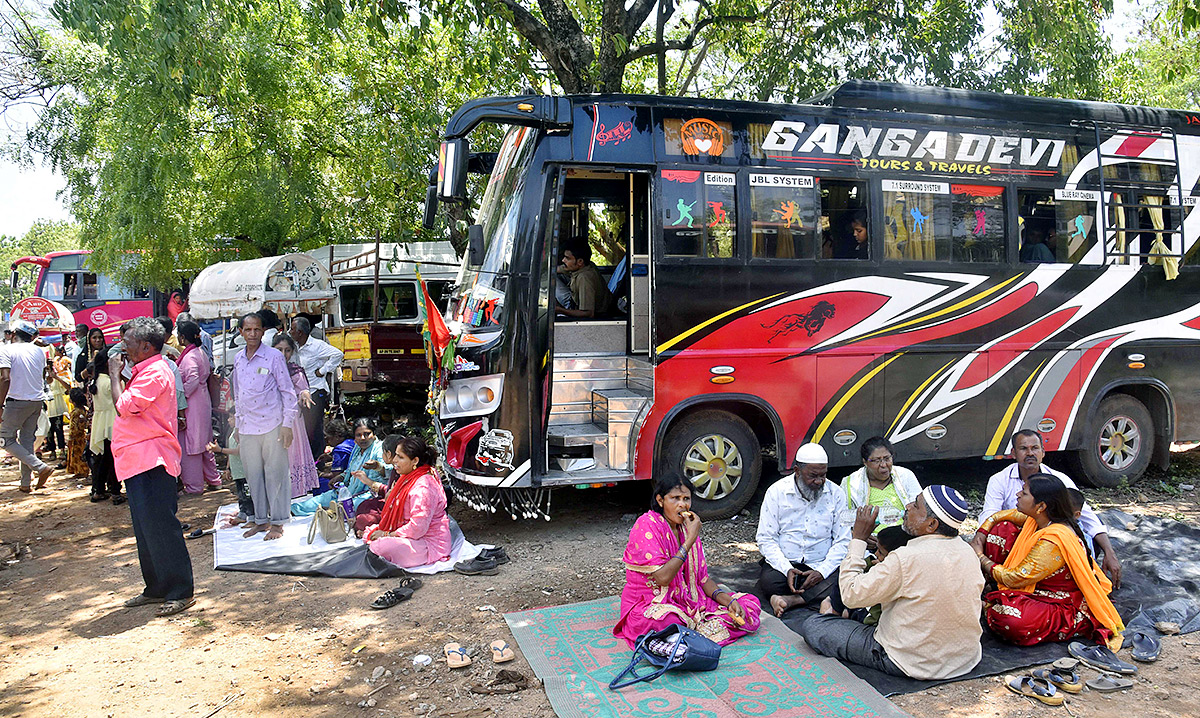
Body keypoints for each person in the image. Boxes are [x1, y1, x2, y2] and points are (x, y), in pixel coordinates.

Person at [797, 486, 984, 680]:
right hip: (964, 659)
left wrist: (858, 539)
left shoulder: (906, 558)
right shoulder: (968, 552)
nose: (908, 507)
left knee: (815, 626)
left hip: (909, 661)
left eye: (916, 505)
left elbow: (850, 595)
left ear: (931, 524)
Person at [975, 474, 1125, 649]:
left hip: (1058, 600)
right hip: (1034, 584)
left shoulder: (1052, 542)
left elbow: (1013, 578)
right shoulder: (1039, 519)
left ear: (1041, 507)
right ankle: (994, 590)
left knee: (1011, 619)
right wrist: (982, 533)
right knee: (1001, 531)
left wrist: (979, 555)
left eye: (1024, 493)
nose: (1017, 495)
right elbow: (1000, 516)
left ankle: (992, 602)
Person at [614, 473, 762, 648]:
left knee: (749, 605)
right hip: (650, 603)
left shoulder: (686, 527)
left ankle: (687, 636)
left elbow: (702, 580)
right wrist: (689, 540)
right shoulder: (647, 525)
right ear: (660, 500)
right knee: (664, 622)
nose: (682, 504)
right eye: (675, 498)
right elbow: (662, 578)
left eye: (686, 498)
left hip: (688, 602)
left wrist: (728, 601)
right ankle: (693, 633)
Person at [110, 316, 194, 616]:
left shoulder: (155, 372)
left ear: (146, 346)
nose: (123, 346)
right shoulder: (145, 370)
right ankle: (157, 587)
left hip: (152, 459)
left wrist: (114, 376)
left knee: (161, 527)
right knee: (146, 530)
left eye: (128, 342)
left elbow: (125, 406)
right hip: (137, 460)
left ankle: (180, 590)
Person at [977, 429, 1121, 587]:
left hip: (1051, 542)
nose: (1030, 453)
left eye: (1035, 448)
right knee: (1002, 529)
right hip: (1018, 540)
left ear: (1043, 452)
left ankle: (1080, 581)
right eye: (1024, 449)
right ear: (1013, 453)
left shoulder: (1059, 480)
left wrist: (1109, 552)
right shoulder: (999, 480)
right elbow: (990, 515)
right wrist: (981, 537)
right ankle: (999, 579)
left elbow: (1087, 518)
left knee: (1081, 537)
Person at [757, 443, 852, 616]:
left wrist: (821, 572)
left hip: (821, 563)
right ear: (797, 471)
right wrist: (786, 569)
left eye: (823, 476)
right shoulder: (776, 492)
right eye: (813, 476)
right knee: (769, 581)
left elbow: (843, 540)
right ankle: (814, 597)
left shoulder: (836, 494)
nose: (819, 481)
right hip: (787, 564)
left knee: (844, 580)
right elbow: (766, 538)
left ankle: (791, 600)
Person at [230, 312, 298, 541]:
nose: (252, 334)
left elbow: (288, 392)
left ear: (263, 331)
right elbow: (238, 394)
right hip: (248, 426)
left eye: (256, 329)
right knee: (253, 475)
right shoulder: (239, 358)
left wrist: (287, 425)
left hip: (272, 424)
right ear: (241, 332)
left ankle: (278, 523)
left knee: (275, 474)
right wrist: (238, 426)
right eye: (248, 330)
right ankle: (260, 520)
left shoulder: (273, 357)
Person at [362, 435, 452, 568]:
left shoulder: (423, 487)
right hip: (414, 535)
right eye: (395, 455)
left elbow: (418, 528)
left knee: (380, 546)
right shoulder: (413, 475)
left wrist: (388, 534)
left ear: (415, 460)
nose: (394, 460)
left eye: (400, 457)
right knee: (370, 531)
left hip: (429, 544)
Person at [0, 320, 55, 492]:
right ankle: (25, 483)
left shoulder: (7, 349)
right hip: (36, 401)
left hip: (16, 401)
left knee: (5, 439)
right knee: (26, 441)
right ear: (32, 337)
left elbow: (5, 378)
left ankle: (39, 467)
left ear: (14, 334)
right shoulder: (39, 351)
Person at [292, 417, 384, 516]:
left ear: (374, 433)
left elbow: (388, 472)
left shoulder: (379, 449)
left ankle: (333, 511)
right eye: (358, 435)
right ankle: (289, 511)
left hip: (368, 495)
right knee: (315, 501)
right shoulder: (357, 448)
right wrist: (341, 477)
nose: (362, 438)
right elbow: (350, 470)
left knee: (351, 506)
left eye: (367, 434)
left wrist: (377, 466)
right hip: (349, 490)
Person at [821, 525, 910, 624]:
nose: (876, 554)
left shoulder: (887, 574)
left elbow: (854, 597)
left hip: (871, 625)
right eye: (876, 549)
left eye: (880, 552)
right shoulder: (873, 562)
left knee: (816, 622)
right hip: (857, 609)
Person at [839, 436, 922, 542]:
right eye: (876, 461)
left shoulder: (905, 476)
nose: (883, 465)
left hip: (905, 538)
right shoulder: (851, 484)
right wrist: (858, 536)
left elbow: (920, 508)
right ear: (865, 462)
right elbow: (842, 520)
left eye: (887, 458)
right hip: (872, 542)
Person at [270, 333, 320, 498]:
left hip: (291, 421)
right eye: (279, 350)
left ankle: (295, 491)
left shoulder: (295, 371)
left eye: (287, 350)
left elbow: (303, 390)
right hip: (270, 420)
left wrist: (304, 395)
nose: (283, 354)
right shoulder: (266, 369)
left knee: (291, 453)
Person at [289, 316, 342, 460]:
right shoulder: (293, 347)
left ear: (300, 332)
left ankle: (317, 460)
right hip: (298, 393)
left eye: (292, 329)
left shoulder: (316, 345)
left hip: (314, 390)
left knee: (314, 428)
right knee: (301, 428)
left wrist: (323, 371)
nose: (290, 331)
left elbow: (338, 354)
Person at [176, 320, 220, 493]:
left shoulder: (190, 356)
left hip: (192, 403)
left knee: (192, 446)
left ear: (182, 337)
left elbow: (193, 378)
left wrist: (181, 396)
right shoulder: (199, 352)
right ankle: (213, 479)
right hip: (201, 400)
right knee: (205, 442)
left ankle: (194, 486)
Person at [88, 348, 122, 504]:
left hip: (100, 424)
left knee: (101, 460)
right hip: (112, 422)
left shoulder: (96, 381)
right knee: (114, 460)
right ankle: (116, 492)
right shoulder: (110, 382)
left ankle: (98, 490)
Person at [554, 239, 612, 319]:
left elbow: (588, 314)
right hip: (575, 297)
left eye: (567, 258)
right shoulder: (585, 265)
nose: (563, 260)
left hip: (577, 307)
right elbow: (560, 269)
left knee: (551, 280)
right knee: (552, 275)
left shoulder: (584, 278)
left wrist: (560, 310)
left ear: (580, 261)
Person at [44, 343, 71, 463]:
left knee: (59, 429)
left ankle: (61, 450)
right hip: (48, 407)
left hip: (58, 406)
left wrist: (56, 377)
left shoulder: (57, 379)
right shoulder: (42, 381)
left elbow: (68, 387)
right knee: (49, 431)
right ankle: (52, 451)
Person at [65, 387, 91, 479]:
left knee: (77, 455)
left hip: (77, 438)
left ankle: (81, 471)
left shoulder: (75, 412)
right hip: (83, 435)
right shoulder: (85, 409)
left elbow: (74, 427)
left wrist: (70, 438)